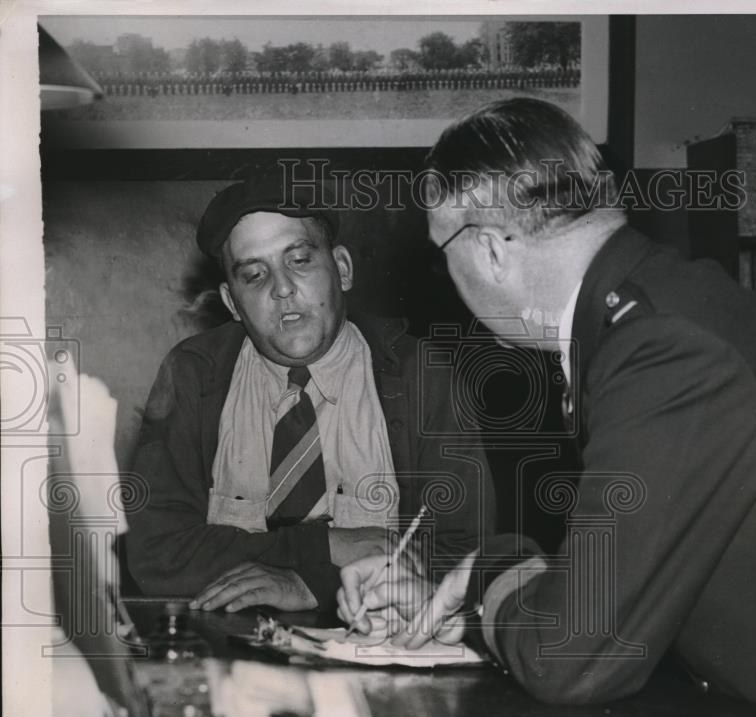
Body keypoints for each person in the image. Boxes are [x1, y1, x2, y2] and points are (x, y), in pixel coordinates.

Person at [337, 98, 756, 717]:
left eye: (441, 250)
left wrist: (492, 577)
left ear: (492, 249)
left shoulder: (662, 348)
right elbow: (630, 577)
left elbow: (572, 659)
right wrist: (481, 595)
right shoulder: (652, 309)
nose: (446, 275)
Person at [127, 171, 495, 614]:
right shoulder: (193, 374)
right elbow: (158, 553)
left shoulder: (421, 377)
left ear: (341, 269)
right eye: (254, 275)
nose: (281, 289)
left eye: (299, 260)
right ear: (231, 303)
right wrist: (327, 546)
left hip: (374, 648)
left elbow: (467, 556)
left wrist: (312, 584)